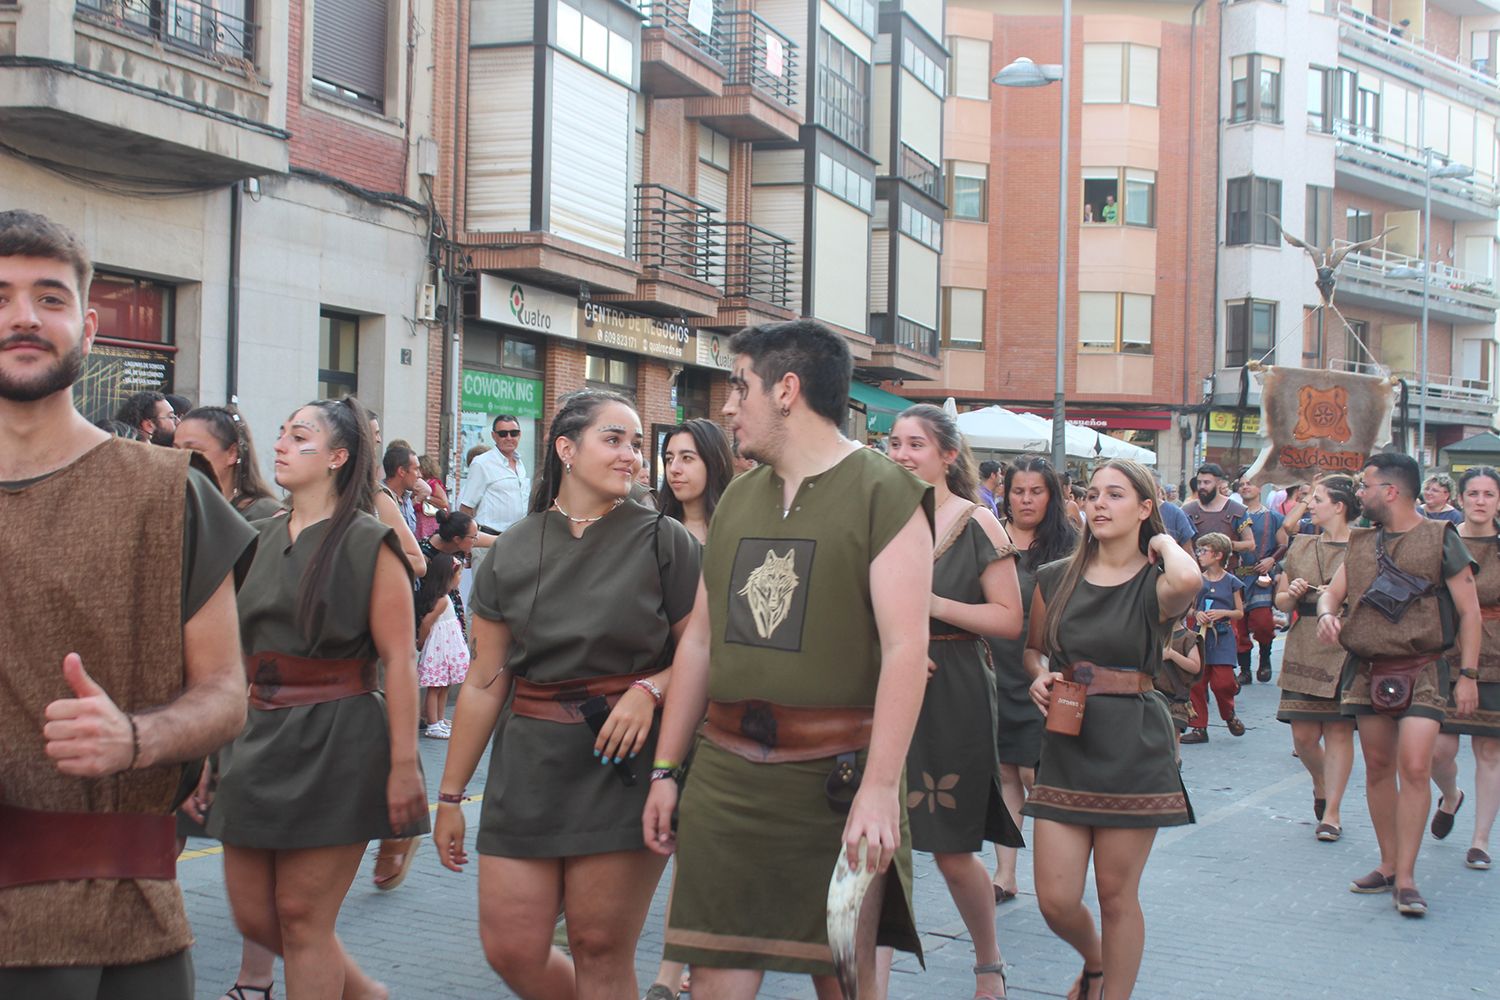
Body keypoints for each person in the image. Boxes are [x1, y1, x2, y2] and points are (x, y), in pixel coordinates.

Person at [0, 210, 254, 998]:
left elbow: (226, 694)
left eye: (49, 296)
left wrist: (136, 737)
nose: (22, 317)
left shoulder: (167, 493)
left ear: (88, 323)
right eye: (1, 295)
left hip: (117, 919)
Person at [643, 319, 933, 1000]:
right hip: (726, 779)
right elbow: (700, 642)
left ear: (787, 390)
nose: (727, 405)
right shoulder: (738, 497)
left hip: (836, 784)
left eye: (739, 386)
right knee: (713, 979)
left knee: (845, 982)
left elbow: (905, 647)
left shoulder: (884, 492)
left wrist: (882, 787)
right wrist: (666, 769)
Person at [432, 389, 700, 998]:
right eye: (615, 439)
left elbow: (704, 655)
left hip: (622, 764)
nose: (632, 455)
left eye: (638, 444)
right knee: (512, 949)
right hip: (526, 765)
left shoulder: (665, 541)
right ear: (565, 449)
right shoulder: (512, 549)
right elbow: (484, 678)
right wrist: (449, 794)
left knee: (600, 950)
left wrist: (650, 690)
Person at [208, 397, 429, 997]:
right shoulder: (255, 536)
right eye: (280, 432)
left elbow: (401, 661)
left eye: (299, 436)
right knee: (255, 916)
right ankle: (366, 994)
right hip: (255, 736)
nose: (279, 443)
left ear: (337, 457)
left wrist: (406, 766)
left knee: (304, 920)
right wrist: (209, 752)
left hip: (339, 737)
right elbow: (226, 655)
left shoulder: (368, 541)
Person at [1024, 459, 1200, 1000]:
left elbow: (1190, 579)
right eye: (1093, 494)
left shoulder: (1158, 582)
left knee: (1116, 894)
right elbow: (1033, 650)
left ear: (1145, 508)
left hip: (1134, 744)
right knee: (1055, 898)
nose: (1099, 503)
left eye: (1116, 495)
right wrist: (1039, 676)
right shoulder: (1055, 577)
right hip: (1067, 735)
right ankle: (1095, 961)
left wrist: (1162, 543)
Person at [888, 404, 1023, 1000]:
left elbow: (1008, 618)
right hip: (887, 681)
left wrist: (931, 605)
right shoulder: (881, 517)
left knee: (948, 848)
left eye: (915, 444)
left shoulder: (978, 523)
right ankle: (873, 981)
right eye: (894, 443)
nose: (901, 454)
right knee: (880, 846)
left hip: (955, 685)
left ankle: (988, 963)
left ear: (947, 455)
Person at [1316, 452, 1481, 917]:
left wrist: (1467, 676)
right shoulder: (1362, 541)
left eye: (1364, 485)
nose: (1358, 494)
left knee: (1414, 767)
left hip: (1424, 669)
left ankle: (1407, 878)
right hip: (1368, 668)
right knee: (1379, 769)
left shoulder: (1441, 538)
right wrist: (1328, 613)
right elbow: (1332, 591)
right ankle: (1388, 865)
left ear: (1390, 490)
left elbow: (1469, 613)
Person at [173, 404, 283, 1000]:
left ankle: (255, 979)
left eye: (194, 445)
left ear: (233, 452)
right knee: (162, 830)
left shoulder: (261, 518)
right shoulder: (174, 502)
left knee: (250, 845)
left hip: (239, 692)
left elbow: (259, 618)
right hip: (175, 694)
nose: (180, 453)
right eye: (174, 441)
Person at [989, 455, 1078, 903]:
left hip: (1045, 670)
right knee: (1005, 769)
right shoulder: (989, 535)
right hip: (994, 668)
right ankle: (1005, 873)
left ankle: (1054, 872)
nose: (1026, 499)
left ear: (1052, 496)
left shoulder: (1068, 545)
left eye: (1036, 491)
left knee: (1034, 773)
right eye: (1018, 491)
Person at [1273, 475, 1361, 842]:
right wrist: (1291, 593)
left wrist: (1341, 597)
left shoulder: (1363, 546)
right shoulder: (1303, 544)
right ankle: (1321, 782)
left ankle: (1334, 812)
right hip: (1304, 642)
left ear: (1339, 506)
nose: (1311, 506)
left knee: (1339, 731)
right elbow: (1280, 602)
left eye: (1317, 499)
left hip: (1345, 644)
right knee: (1304, 739)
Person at [1429, 466, 1500, 870]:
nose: (1479, 501)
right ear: (1460, 498)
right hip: (1448, 651)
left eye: (1488, 494)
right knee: (1439, 748)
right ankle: (1452, 795)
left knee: (1490, 749)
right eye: (1473, 493)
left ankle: (1481, 839)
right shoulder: (1444, 541)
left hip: (1497, 655)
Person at [1180, 533, 1247, 744]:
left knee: (1222, 682)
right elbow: (1188, 609)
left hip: (1222, 636)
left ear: (1218, 555)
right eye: (1199, 551)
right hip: (1200, 635)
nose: (1199, 555)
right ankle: (1199, 727)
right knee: (1197, 682)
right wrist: (1196, 613)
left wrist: (1223, 613)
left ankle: (1228, 713)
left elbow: (1239, 612)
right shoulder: (1197, 580)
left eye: (1203, 551)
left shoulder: (1231, 582)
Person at [175, 404, 283, 520]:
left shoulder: (267, 515)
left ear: (232, 453)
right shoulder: (178, 510)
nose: (180, 458)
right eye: (175, 450)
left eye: (193, 451)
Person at [1234, 482, 1285, 685]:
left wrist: (1272, 560)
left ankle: (1265, 658)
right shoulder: (1233, 514)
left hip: (1260, 577)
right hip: (1236, 576)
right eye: (1242, 484)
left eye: (1250, 483)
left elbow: (1283, 543)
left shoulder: (1272, 517)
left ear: (1260, 488)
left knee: (1263, 623)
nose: (1246, 487)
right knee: (1239, 627)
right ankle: (1245, 669)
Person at [417, 552, 469, 741]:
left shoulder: (447, 598)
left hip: (446, 649)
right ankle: (433, 724)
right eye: (459, 574)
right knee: (435, 687)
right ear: (448, 577)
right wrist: (421, 643)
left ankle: (439, 719)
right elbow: (426, 623)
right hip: (439, 650)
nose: (461, 578)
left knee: (444, 685)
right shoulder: (443, 601)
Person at [658, 418, 734, 546]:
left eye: (687, 458)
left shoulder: (739, 529)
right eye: (669, 459)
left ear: (715, 463)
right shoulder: (657, 531)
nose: (674, 469)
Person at [460, 413, 531, 544]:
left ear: (519, 434)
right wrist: (467, 542)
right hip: (489, 540)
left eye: (514, 433)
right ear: (494, 436)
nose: (509, 438)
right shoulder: (482, 463)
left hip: (518, 539)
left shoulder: (520, 464)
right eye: (503, 434)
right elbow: (466, 508)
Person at [415, 453, 450, 540]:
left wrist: (427, 497)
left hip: (429, 520)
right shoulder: (420, 482)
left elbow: (444, 503)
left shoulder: (433, 483)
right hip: (421, 521)